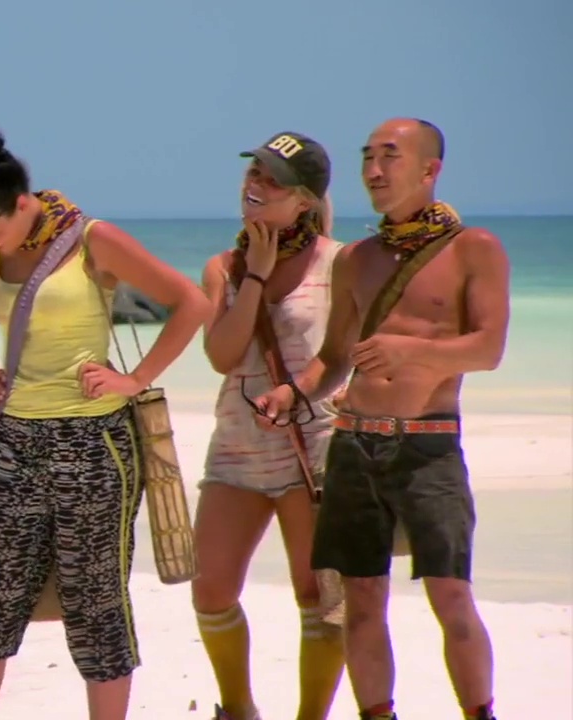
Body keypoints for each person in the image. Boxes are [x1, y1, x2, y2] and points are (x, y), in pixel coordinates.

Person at [0, 126, 210, 720]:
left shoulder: (93, 239)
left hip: (93, 444)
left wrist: (134, 379)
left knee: (96, 608)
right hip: (15, 441)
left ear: (22, 203)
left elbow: (192, 303)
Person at [255, 118, 509, 720]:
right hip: (354, 444)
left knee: (451, 595)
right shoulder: (355, 259)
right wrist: (293, 394)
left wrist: (410, 351)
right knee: (362, 602)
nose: (373, 170)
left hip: (428, 445)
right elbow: (334, 358)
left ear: (429, 169)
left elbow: (488, 349)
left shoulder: (474, 249)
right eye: (367, 157)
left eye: (389, 157)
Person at [192, 132, 345, 720]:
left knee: (318, 596)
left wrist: (297, 392)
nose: (254, 185)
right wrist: (254, 275)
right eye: (253, 172)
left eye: (271, 179)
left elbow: (342, 355)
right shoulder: (224, 268)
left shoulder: (339, 263)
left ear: (303, 200)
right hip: (237, 447)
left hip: (316, 446)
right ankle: (238, 709)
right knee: (211, 589)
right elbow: (222, 356)